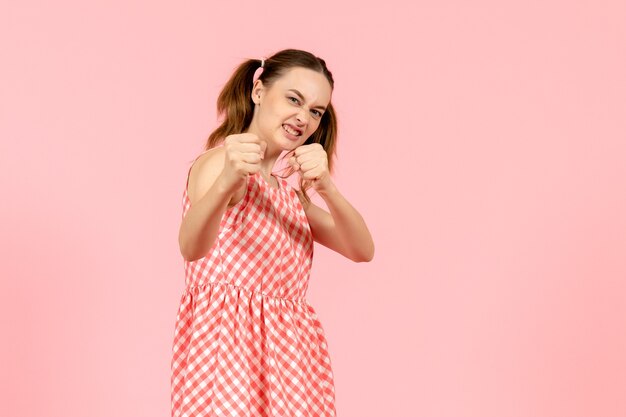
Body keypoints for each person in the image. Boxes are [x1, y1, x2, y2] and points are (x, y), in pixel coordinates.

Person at [171, 48, 374, 417]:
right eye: (293, 99)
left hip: (291, 358)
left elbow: (362, 249)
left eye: (316, 111)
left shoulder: (287, 193)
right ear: (259, 91)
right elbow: (191, 247)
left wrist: (326, 186)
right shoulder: (222, 163)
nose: (303, 118)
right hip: (230, 351)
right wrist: (230, 179)